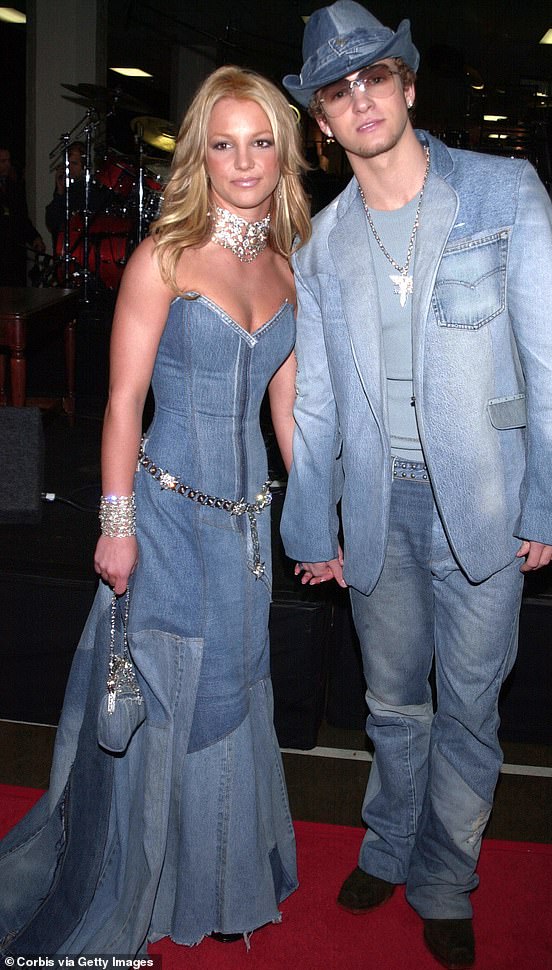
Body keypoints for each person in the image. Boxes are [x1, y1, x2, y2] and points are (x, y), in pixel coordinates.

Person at [280, 3, 552, 968]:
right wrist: (308, 525)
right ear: (322, 122)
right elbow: (317, 406)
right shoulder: (320, 247)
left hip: (489, 507)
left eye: (376, 77)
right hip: (377, 509)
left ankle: (447, 876)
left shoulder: (502, 192)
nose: (361, 98)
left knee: (469, 705)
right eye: (338, 89)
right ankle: (386, 841)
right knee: (391, 703)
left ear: (408, 85)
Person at [0, 65, 310, 954]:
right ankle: (128, 890)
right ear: (200, 156)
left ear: (282, 152)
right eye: (223, 143)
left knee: (232, 694)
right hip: (168, 520)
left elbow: (286, 412)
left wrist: (311, 521)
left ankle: (206, 884)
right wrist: (117, 526)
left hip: (246, 527)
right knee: (170, 700)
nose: (243, 161)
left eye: (259, 143)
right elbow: (121, 404)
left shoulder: (287, 265)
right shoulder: (164, 257)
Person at [0, 146, 45, 285]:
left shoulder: (14, 187)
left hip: (13, 255)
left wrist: (34, 238)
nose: (8, 164)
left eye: (8, 160)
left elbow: (22, 219)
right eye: (3, 161)